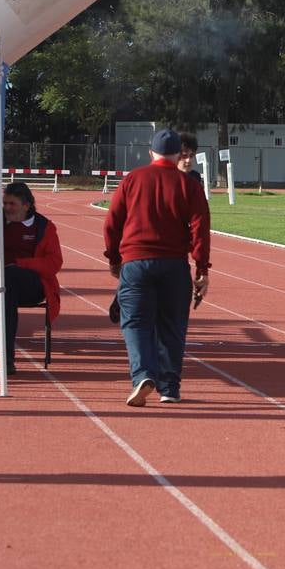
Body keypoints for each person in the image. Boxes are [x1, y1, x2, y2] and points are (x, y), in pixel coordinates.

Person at [104, 129, 210, 406]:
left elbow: (112, 223)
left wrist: (114, 258)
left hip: (136, 262)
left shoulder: (133, 180)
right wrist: (202, 268)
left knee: (135, 322)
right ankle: (170, 387)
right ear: (178, 154)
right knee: (172, 327)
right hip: (175, 265)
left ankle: (142, 374)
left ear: (150, 152)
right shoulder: (189, 185)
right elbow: (201, 229)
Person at [0, 182, 63, 372]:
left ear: (26, 205)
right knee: (4, 290)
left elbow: (53, 264)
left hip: (33, 285)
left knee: (9, 278)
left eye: (12, 204)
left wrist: (19, 264)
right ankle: (0, 355)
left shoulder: (44, 228)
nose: (7, 208)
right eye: (5, 203)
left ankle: (3, 351)